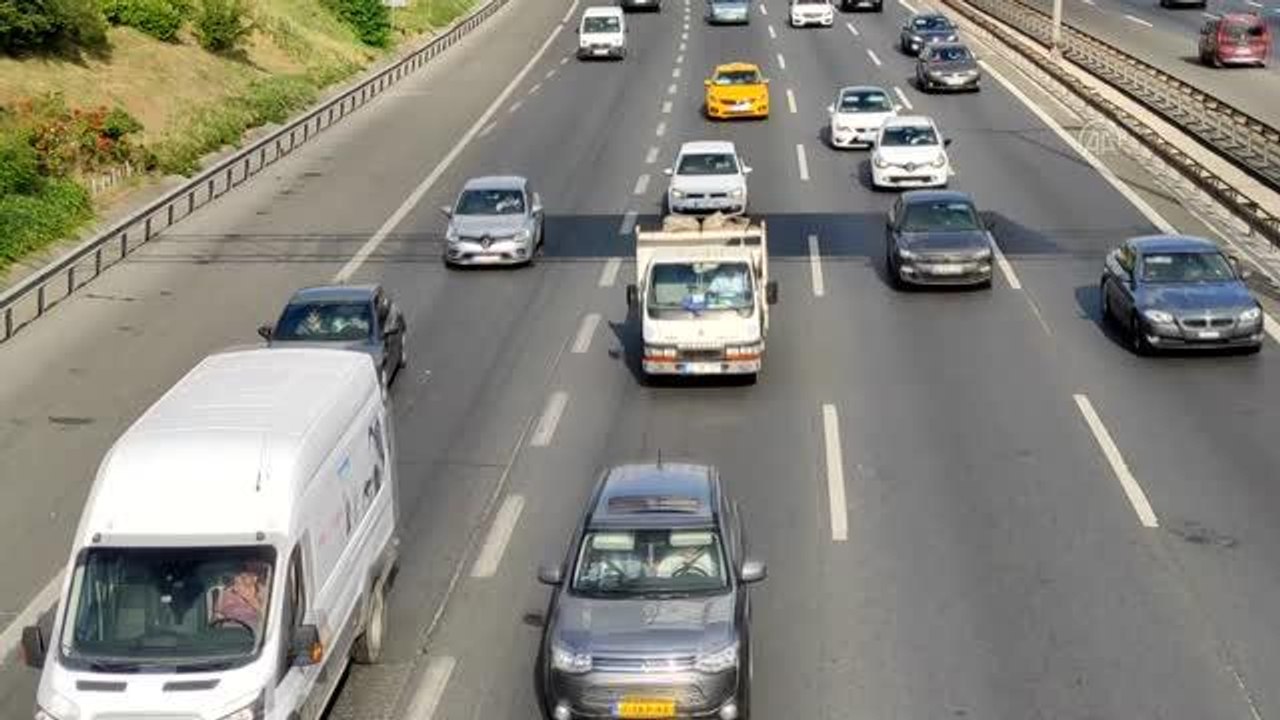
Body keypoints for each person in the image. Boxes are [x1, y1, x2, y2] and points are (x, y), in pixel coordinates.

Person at [213, 564, 266, 633]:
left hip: (253, 628)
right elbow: (217, 615)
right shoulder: (226, 592)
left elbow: (267, 616)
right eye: (241, 576)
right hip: (228, 628)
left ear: (255, 578)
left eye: (248, 575)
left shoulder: (262, 591)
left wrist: (249, 598)